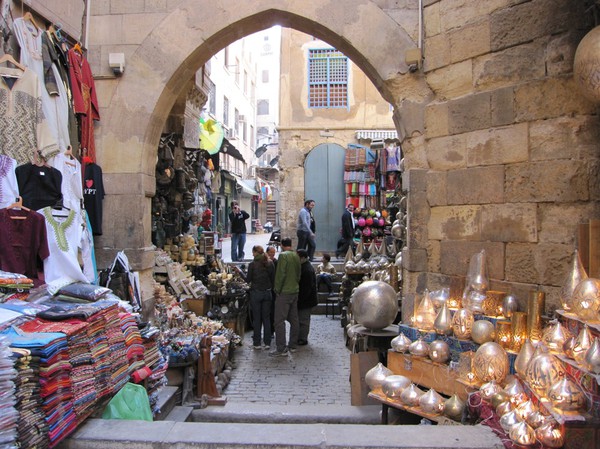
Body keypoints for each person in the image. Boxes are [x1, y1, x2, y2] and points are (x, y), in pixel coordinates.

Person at [239, 245, 275, 350]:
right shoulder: (270, 263)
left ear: (256, 252)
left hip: (256, 294)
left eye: (253, 252)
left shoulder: (252, 265)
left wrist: (240, 272)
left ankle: (257, 343)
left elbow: (247, 280)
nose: (252, 254)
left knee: (257, 318)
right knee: (266, 318)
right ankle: (267, 342)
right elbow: (273, 279)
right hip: (267, 293)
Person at [270, 237, 301, 356]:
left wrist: (277, 289)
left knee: (279, 320)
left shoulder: (283, 256)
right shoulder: (296, 256)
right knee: (294, 319)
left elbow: (280, 274)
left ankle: (281, 348)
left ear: (282, 245)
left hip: (284, 292)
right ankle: (293, 344)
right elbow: (298, 273)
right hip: (294, 290)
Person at [296, 249, 317, 346]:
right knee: (302, 319)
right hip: (305, 299)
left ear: (302, 257)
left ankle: (303, 338)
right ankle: (300, 337)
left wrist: (300, 299)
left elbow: (307, 288)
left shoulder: (307, 269)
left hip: (306, 300)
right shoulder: (304, 267)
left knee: (303, 320)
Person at [266, 245, 278, 335]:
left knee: (272, 311)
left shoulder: (276, 262)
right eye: (271, 253)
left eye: (274, 253)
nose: (272, 254)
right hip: (267, 289)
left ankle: (271, 331)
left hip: (273, 290)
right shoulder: (265, 262)